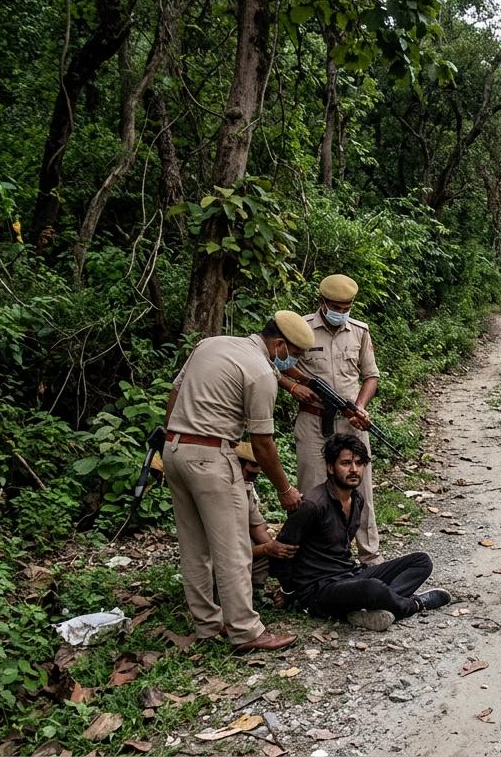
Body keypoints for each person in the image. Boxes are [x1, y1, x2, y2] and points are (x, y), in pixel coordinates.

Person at [161, 311, 312, 652]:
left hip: (174, 449)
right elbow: (262, 443)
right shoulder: (261, 372)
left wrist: (173, 434)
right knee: (233, 549)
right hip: (211, 456)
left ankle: (207, 626)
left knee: (194, 547)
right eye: (293, 355)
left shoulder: (210, 344)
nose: (291, 363)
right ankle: (246, 631)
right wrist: (285, 489)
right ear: (278, 344)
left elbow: (175, 393)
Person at [272, 434, 452, 631]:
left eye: (359, 463)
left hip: (350, 576)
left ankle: (372, 606)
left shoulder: (356, 499)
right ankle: (413, 605)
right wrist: (289, 590)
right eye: (346, 463)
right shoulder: (313, 505)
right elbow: (280, 551)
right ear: (331, 467)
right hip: (319, 589)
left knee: (421, 561)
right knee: (372, 587)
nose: (354, 470)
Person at [280, 274, 383, 564]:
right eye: (335, 306)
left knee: (360, 487)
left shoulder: (360, 332)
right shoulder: (301, 329)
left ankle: (369, 556)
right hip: (313, 422)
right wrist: (293, 386)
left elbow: (371, 376)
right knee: (311, 490)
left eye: (346, 306)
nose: (341, 311)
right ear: (322, 302)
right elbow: (275, 364)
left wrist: (361, 406)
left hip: (350, 421)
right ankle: (309, 558)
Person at [232, 442, 298, 601]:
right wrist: (266, 549)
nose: (252, 478)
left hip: (241, 547)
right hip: (224, 552)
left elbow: (257, 527)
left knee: (264, 547)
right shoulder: (223, 491)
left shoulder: (246, 488)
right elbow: (230, 549)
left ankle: (255, 593)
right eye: (250, 473)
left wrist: (278, 550)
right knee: (258, 548)